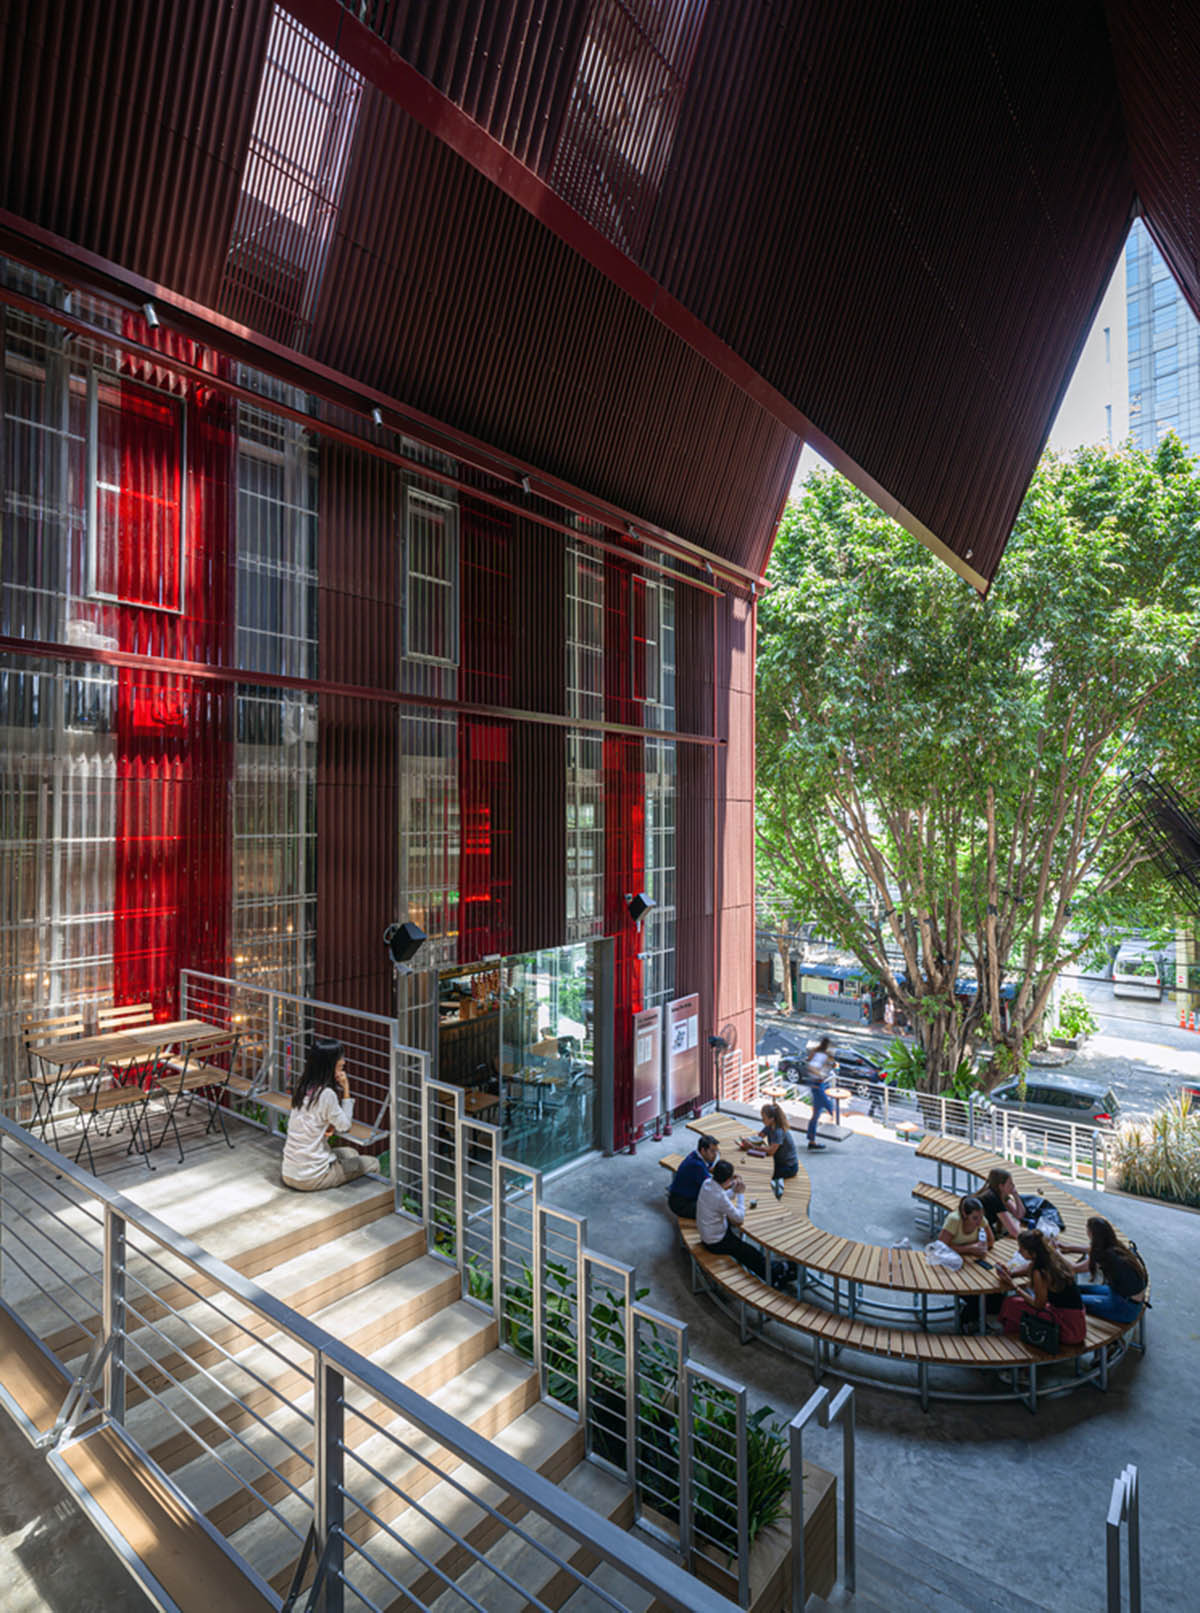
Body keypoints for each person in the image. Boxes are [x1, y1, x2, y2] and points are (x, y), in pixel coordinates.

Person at [281, 1038, 369, 1192]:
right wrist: (346, 1089)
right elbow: (345, 1126)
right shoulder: (326, 1094)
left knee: (350, 1152)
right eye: (340, 1066)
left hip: (289, 1172)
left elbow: (311, 1123)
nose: (342, 1070)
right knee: (371, 1163)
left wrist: (327, 1128)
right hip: (312, 1178)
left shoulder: (303, 1086)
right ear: (330, 1065)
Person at [997, 1229, 1086, 1345]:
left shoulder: (1039, 1272)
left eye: (1022, 1249)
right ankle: (1015, 1334)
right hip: (1077, 1320)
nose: (1018, 1251)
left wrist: (1014, 1287)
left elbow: (1038, 1305)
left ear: (1032, 1253)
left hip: (1067, 1327)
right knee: (1016, 1304)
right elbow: (1029, 1267)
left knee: (1012, 1304)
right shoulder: (1051, 1256)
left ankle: (1012, 1337)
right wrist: (1011, 1273)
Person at [1060, 1217, 1148, 1324]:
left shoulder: (1106, 1256)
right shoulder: (1114, 1244)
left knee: (1071, 1300)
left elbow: (1074, 1268)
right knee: (1075, 1289)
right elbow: (1090, 1249)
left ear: (1092, 1234)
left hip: (1126, 1307)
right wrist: (1069, 1247)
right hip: (1123, 1296)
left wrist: (1054, 1252)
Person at [696, 1159, 767, 1278]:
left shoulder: (707, 1183)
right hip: (715, 1242)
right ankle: (772, 1276)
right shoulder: (719, 1196)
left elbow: (721, 1199)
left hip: (706, 1232)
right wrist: (740, 1194)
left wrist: (733, 1190)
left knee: (738, 1240)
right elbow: (739, 1218)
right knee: (751, 1253)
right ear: (728, 1180)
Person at [737, 1102, 798, 1198]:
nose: (762, 1120)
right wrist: (746, 1141)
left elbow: (771, 1151)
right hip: (777, 1161)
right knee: (757, 1167)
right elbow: (759, 1136)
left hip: (788, 1167)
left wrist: (751, 1147)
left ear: (772, 1119)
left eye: (763, 1118)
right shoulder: (770, 1126)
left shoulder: (778, 1131)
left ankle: (769, 1194)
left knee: (761, 1175)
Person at [666, 1135, 719, 1218]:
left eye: (716, 1151)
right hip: (682, 1204)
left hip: (687, 1197)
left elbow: (709, 1167)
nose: (715, 1155)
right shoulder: (697, 1165)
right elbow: (713, 1187)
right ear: (703, 1150)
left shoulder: (696, 1154)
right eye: (712, 1151)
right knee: (717, 1209)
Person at [804, 1037, 836, 1151]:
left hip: (817, 1085)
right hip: (817, 1084)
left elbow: (810, 1062)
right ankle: (833, 1120)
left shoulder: (818, 1054)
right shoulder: (821, 1055)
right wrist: (821, 1075)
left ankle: (811, 1140)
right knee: (829, 1106)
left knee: (816, 1114)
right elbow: (811, 1067)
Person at [938, 1194, 994, 1259]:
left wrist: (981, 1247)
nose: (979, 1221)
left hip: (968, 1258)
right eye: (975, 1218)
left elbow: (991, 1241)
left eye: (981, 1217)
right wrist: (969, 1249)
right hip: (950, 1258)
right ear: (965, 1214)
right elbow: (940, 1247)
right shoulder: (954, 1220)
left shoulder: (981, 1219)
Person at [979, 1168, 1025, 1240]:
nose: (1013, 1185)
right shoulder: (993, 1198)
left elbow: (1019, 1215)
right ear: (1001, 1186)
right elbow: (1014, 1232)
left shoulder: (1001, 1194)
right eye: (1010, 1183)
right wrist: (1016, 1223)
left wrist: (1015, 1195)